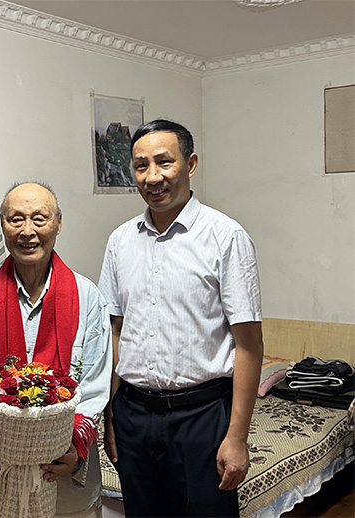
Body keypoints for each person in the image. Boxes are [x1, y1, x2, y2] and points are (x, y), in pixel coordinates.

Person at [98, 119, 264, 517]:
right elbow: (115, 331)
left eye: (164, 162)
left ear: (190, 164)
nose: (152, 177)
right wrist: (110, 414)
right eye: (141, 166)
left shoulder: (225, 237)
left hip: (201, 417)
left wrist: (237, 437)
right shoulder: (120, 241)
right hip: (133, 414)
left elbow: (249, 345)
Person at [0, 182, 112, 517]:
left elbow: (95, 383)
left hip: (67, 479)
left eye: (40, 218)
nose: (27, 231)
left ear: (58, 224)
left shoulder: (87, 297)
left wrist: (73, 445)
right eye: (15, 219)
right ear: (3, 225)